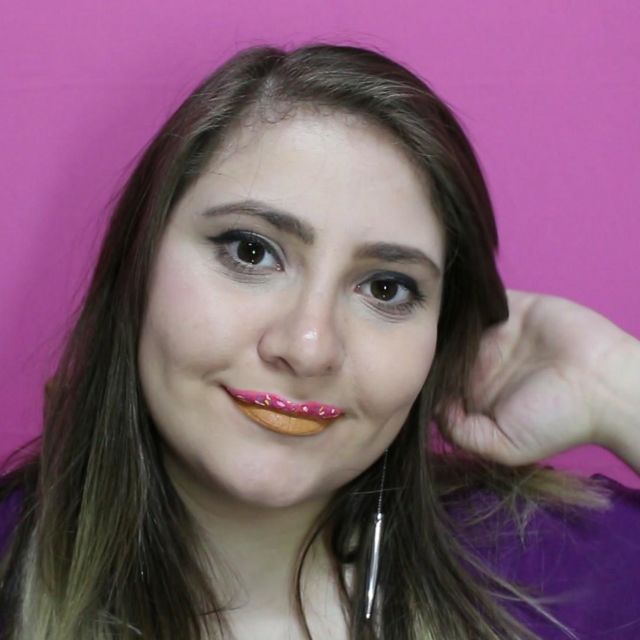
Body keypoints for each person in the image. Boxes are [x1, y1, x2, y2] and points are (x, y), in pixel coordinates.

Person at [0, 43, 638, 640]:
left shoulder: (553, 573)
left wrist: (612, 383)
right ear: (138, 266)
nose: (308, 348)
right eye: (251, 251)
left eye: (386, 288)